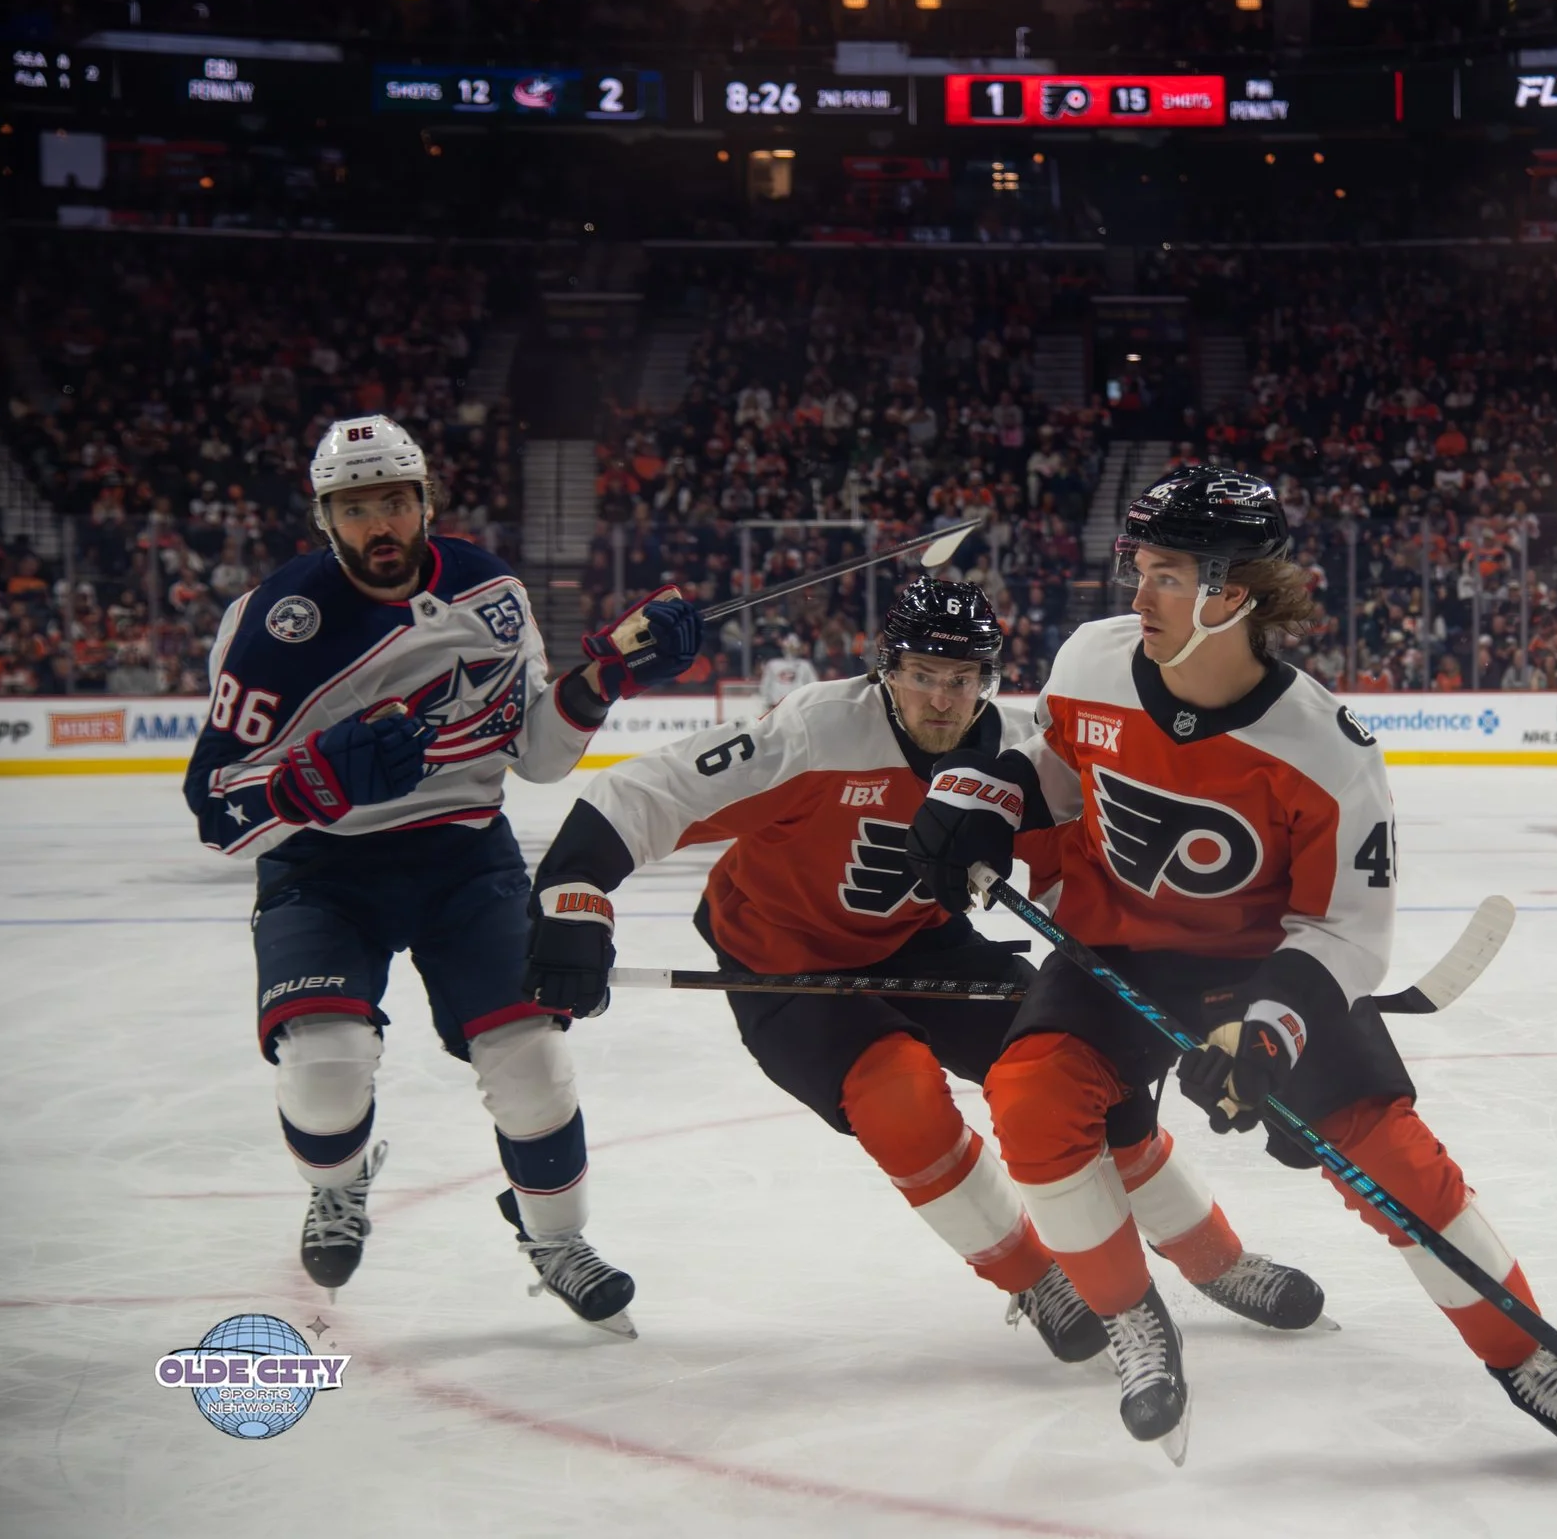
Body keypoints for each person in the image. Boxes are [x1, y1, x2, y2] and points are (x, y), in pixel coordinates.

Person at [905, 467, 1557, 1462]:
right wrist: (981, 796)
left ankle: (1522, 1353)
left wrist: (1267, 1030)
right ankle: (1131, 1315)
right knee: (1028, 1096)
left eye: (1164, 575)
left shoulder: (1328, 750)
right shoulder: (1091, 662)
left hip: (1265, 968)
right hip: (1114, 942)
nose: (1138, 596)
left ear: (1230, 593)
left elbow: (1346, 931)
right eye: (1140, 570)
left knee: (1390, 1156)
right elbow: (1055, 767)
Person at [521, 577, 1325, 1367]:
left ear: (989, 680)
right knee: (901, 1101)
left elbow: (1106, 860)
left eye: (962, 678)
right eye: (920, 675)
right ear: (886, 670)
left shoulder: (1014, 752)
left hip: (921, 943)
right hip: (784, 958)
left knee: (1087, 1077)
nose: (941, 698)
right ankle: (1037, 1279)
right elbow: (644, 793)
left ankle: (1216, 1260)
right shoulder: (814, 733)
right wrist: (574, 896)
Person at [181, 415, 703, 1333]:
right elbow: (216, 806)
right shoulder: (273, 625)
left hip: (464, 852)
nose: (378, 524)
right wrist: (308, 782)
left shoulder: (491, 591)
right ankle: (338, 1187)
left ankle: (557, 1240)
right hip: (322, 866)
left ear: (425, 501)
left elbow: (536, 756)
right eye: (354, 508)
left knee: (533, 1063)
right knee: (325, 1069)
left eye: (393, 500)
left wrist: (605, 677)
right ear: (323, 518)